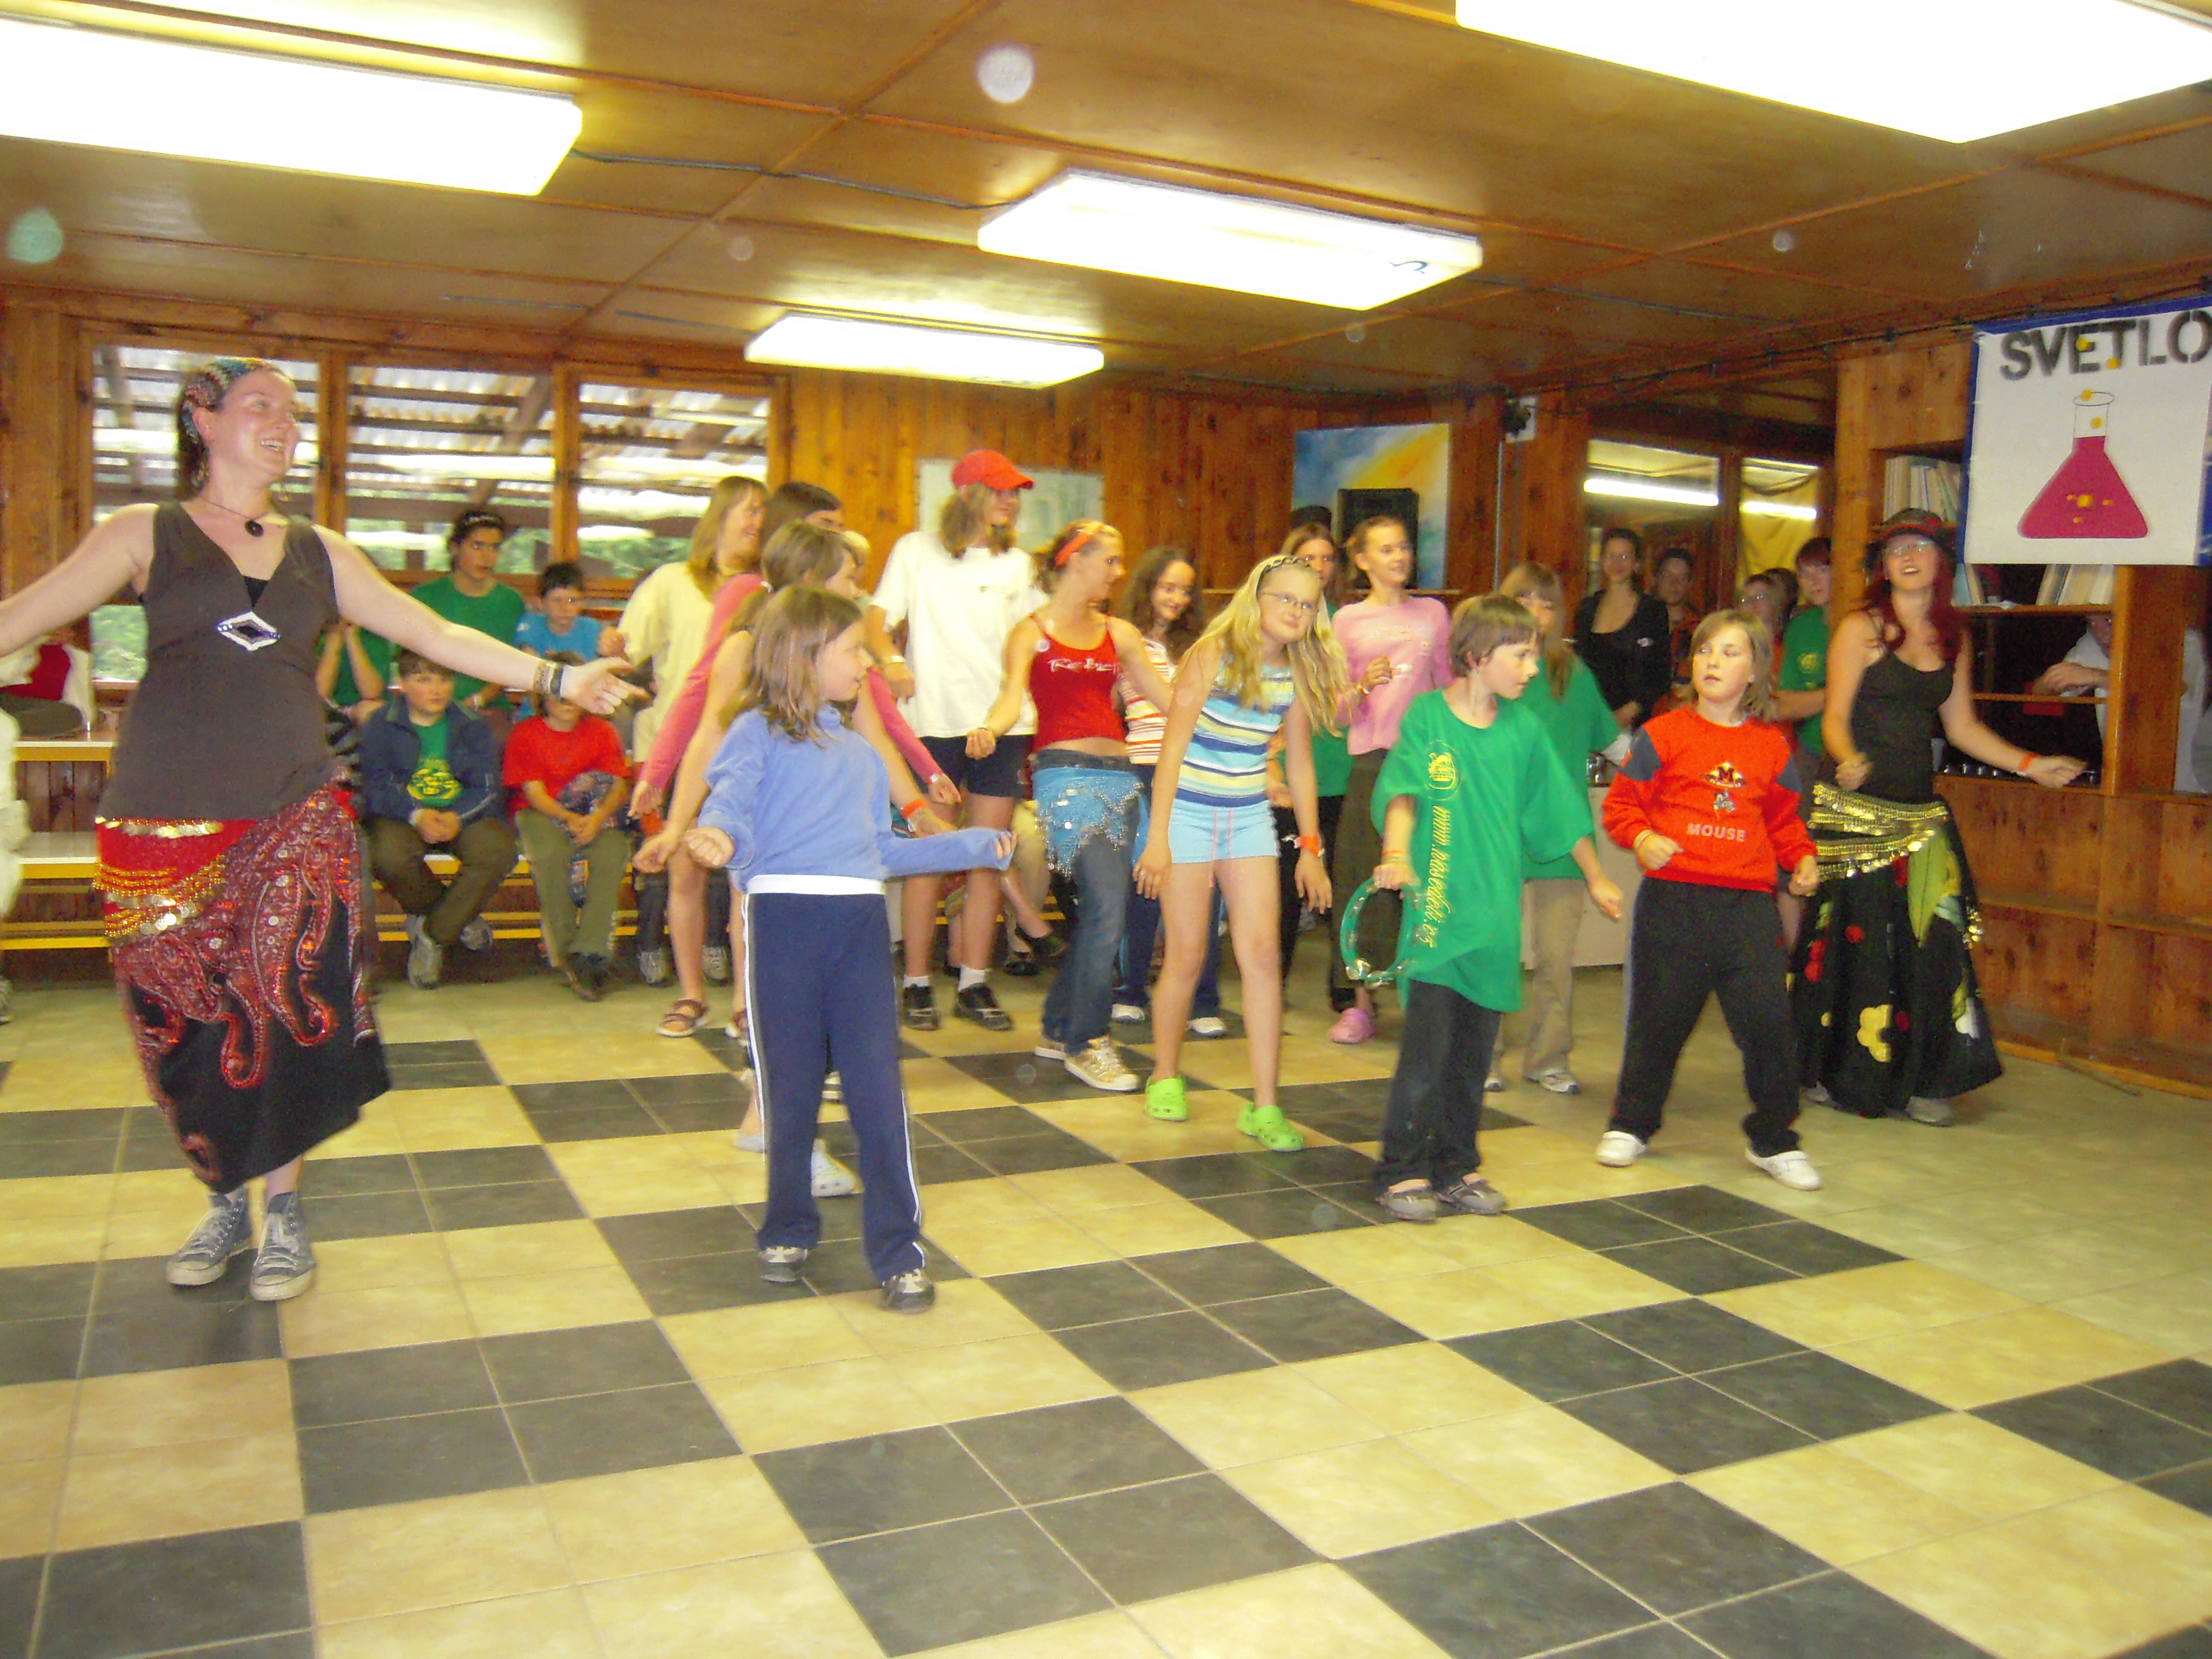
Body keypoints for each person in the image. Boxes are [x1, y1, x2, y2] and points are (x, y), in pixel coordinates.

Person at [0, 356, 633, 1302]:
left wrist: (559, 677)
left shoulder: (321, 551)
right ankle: (224, 1195)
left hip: (293, 815)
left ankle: (285, 1213)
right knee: (185, 1027)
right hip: (161, 822)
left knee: (289, 1015)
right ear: (202, 418)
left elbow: (436, 636)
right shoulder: (143, 533)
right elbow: (17, 618)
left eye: (294, 413)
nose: (285, 424)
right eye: (261, 405)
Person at [688, 587, 1013, 1313]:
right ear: (806, 657)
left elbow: (882, 853)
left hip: (860, 929)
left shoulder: (864, 756)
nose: (866, 663)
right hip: (783, 923)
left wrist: (972, 845)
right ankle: (787, 1227)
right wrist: (718, 835)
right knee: (791, 1089)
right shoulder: (754, 733)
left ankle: (899, 1254)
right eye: (853, 650)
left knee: (877, 1094)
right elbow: (731, 803)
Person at [1795, 512, 2085, 1127]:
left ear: (1941, 563)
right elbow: (1834, 718)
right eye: (1896, 548)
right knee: (1856, 945)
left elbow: (1964, 728)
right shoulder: (1861, 628)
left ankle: (1927, 1080)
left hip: (1919, 813)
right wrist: (1847, 760)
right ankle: (1833, 1070)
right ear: (1883, 565)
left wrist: (2031, 764)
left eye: (1919, 547)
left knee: (1932, 944)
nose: (1907, 557)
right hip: (1854, 811)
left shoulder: (1954, 639)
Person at [1367, 596, 1616, 1221]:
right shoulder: (1428, 717)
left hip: (1494, 924)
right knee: (1425, 1055)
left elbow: (1560, 809)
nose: (1532, 668)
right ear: (1478, 656)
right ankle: (1400, 1168)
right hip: (1436, 918)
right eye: (1522, 655)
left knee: (1472, 1058)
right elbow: (1403, 792)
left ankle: (1456, 1166)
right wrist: (1395, 853)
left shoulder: (1523, 731)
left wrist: (1596, 876)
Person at [1599, 610, 1824, 1191]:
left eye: (1729, 652)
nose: (1713, 662)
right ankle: (1632, 1123)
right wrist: (1643, 839)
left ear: (1755, 671)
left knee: (1769, 1024)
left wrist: (1802, 859)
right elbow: (1621, 807)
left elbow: (1785, 822)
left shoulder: (1771, 746)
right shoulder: (1662, 734)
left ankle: (1775, 1139)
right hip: (1674, 900)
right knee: (1658, 1020)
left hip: (1747, 907)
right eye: (1704, 651)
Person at [1136, 554, 1347, 1147]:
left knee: (1261, 954)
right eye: (1286, 599)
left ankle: (1265, 1105)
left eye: (1308, 605)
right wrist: (1158, 839)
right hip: (1188, 813)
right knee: (1187, 953)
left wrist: (1311, 848)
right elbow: (1172, 749)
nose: (1296, 612)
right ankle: (1165, 1074)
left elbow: (1300, 765)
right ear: (1258, 597)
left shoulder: (1297, 671)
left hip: (1248, 816)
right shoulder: (1213, 653)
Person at [974, 522, 1174, 1091]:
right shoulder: (1031, 633)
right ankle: (1088, 1041)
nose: (1118, 572)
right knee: (1108, 907)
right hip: (1064, 777)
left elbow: (1171, 700)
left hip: (1122, 777)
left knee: (1104, 911)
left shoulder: (1120, 633)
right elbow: (1011, 699)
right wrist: (990, 730)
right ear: (1076, 560)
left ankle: (1059, 1027)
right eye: (1109, 560)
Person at [868, 450, 1041, 1033]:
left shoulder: (1020, 566)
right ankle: (917, 983)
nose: (1009, 501)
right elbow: (874, 621)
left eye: (1015, 492)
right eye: (999, 490)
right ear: (967, 494)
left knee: (990, 854)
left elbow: (1034, 643)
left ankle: (974, 981)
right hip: (933, 723)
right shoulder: (916, 551)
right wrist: (891, 660)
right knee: (930, 855)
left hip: (1001, 727)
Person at [620, 475, 764, 1014]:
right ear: (719, 515)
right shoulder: (672, 581)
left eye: (763, 513)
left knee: (743, 878)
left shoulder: (763, 588)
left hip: (747, 748)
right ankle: (691, 994)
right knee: (683, 869)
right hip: (685, 743)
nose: (756, 523)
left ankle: (744, 1000)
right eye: (748, 510)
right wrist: (655, 772)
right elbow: (635, 653)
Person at [1492, 563, 1629, 1095]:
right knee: (1494, 950)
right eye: (1524, 599)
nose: (1535, 612)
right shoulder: (1488, 672)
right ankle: (1482, 1056)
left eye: (1546, 604)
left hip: (1564, 835)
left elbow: (1614, 744)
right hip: (1498, 830)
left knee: (1555, 957)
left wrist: (1667, 779)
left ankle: (1548, 1057)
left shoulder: (1573, 673)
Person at [1325, 516, 1454, 1045]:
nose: (1398, 557)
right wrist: (1361, 686)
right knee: (1362, 876)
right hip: (1373, 764)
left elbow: (1449, 683)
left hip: (1425, 763)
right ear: (1362, 560)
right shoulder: (1346, 621)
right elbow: (1334, 712)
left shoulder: (1434, 613)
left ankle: (1430, 995)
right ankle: (1359, 1003)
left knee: (1432, 876)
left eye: (1403, 547)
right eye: (1385, 549)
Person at [1110, 545, 1225, 1036]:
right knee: (1145, 883)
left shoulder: (1203, 645)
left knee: (1204, 888)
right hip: (1143, 768)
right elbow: (1110, 706)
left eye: (1185, 590)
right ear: (1148, 588)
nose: (1176, 598)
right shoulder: (1122, 639)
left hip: (1197, 771)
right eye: (1167, 588)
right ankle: (1131, 990)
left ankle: (1204, 1000)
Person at [358, 651, 519, 989]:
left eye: (444, 680)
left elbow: (487, 786)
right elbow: (376, 785)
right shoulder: (381, 723)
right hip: (403, 815)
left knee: (498, 851)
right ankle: (459, 920)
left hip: (463, 813)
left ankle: (433, 935)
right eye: (423, 680)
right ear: (402, 684)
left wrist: (456, 816)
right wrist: (417, 814)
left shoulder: (472, 724)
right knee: (387, 855)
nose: (436, 689)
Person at [503, 652, 631, 1000]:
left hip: (593, 812)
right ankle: (565, 953)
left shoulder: (602, 731)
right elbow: (534, 794)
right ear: (542, 696)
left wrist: (596, 819)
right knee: (550, 856)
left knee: (613, 851)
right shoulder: (525, 734)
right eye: (557, 693)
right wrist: (570, 819)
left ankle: (590, 950)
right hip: (540, 811)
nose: (566, 701)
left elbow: (617, 786)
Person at [1269, 524, 1355, 999]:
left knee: (1342, 885)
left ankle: (1346, 990)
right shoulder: (1279, 622)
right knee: (1283, 889)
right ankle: (1271, 984)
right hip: (1288, 772)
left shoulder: (1349, 620)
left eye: (1327, 559)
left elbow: (1353, 697)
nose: (1319, 568)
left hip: (1339, 770)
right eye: (1308, 558)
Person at [2029, 614, 2208, 792]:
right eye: (2092, 622)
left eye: (2109, 621)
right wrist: (2047, 683)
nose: (2100, 633)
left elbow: (2173, 688)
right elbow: (2042, 695)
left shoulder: (2181, 638)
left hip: (2188, 780)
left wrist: (2097, 676)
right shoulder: (2093, 644)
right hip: (2125, 780)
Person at [413, 509, 527, 724]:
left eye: (494, 548)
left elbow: (514, 663)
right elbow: (409, 663)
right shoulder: (425, 597)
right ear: (455, 548)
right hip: (430, 709)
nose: (486, 556)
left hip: (489, 711)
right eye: (477, 546)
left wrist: (478, 700)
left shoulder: (511, 601)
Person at [1574, 528, 1672, 730]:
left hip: (1633, 725)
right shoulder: (1587, 608)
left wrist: (1628, 712)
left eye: (1625, 557)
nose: (1617, 563)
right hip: (1588, 719)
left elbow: (1660, 673)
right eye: (1610, 556)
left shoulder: (1652, 611)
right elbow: (1576, 665)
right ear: (1602, 561)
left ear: (1637, 564)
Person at [1777, 539, 1833, 765]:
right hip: (1812, 747)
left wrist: (1812, 701)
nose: (1813, 581)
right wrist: (1840, 694)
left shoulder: (1865, 623)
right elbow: (1785, 703)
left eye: (1821, 570)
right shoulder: (1800, 627)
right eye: (1804, 574)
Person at [515, 560, 623, 663]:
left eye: (572, 601)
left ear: (583, 602)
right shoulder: (531, 625)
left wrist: (616, 649)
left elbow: (615, 665)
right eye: (557, 600)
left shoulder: (591, 628)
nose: (565, 608)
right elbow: (530, 666)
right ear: (540, 603)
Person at [0, 632, 90, 736]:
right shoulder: (14, 646)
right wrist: (33, 642)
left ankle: (7, 726)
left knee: (71, 714)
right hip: (6, 698)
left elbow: (79, 701)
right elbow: (7, 675)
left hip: (33, 707)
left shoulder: (69, 656)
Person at [315, 619, 391, 724]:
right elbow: (320, 692)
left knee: (369, 711)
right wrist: (333, 645)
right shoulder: (315, 638)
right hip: (321, 708)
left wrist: (351, 637)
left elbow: (372, 694)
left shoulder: (373, 639)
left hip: (358, 709)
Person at [1653, 546, 1702, 704]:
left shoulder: (1699, 630)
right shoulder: (1639, 623)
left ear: (1690, 583)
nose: (1675, 584)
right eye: (1668, 576)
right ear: (1656, 579)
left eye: (1682, 578)